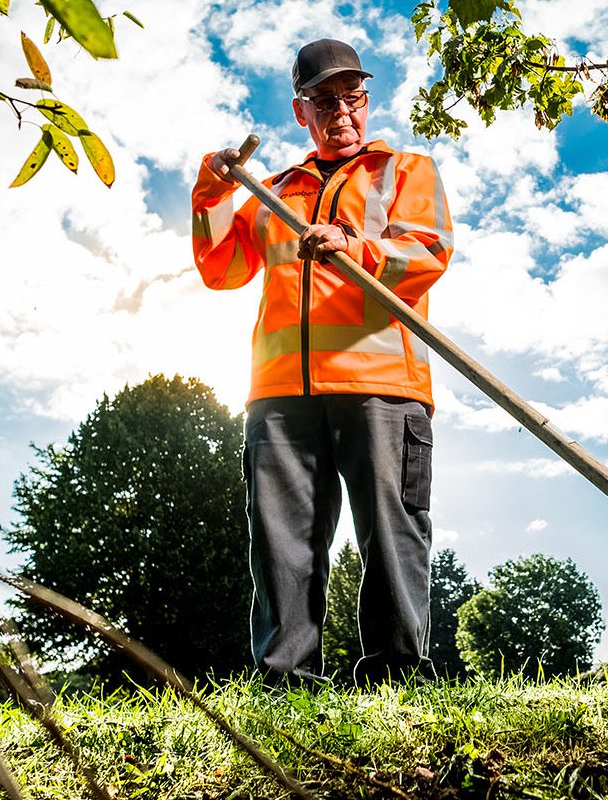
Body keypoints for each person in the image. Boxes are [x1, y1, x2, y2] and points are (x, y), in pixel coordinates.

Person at [190, 38, 454, 687]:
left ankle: (396, 676)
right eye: (326, 98)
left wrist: (354, 244)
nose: (343, 109)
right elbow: (221, 269)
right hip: (281, 392)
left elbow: (427, 253)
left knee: (391, 532)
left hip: (382, 384)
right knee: (282, 542)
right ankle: (287, 682)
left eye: (353, 95)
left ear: (367, 100)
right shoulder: (275, 190)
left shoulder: (404, 169)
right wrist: (214, 192)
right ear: (299, 109)